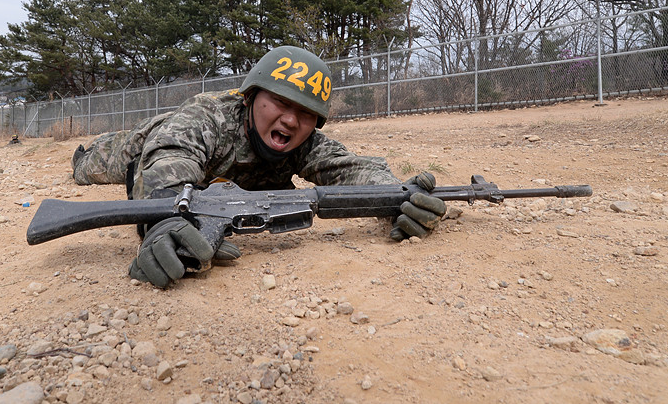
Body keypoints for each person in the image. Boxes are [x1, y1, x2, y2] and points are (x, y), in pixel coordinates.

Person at [72, 46, 446, 289]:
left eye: (305, 113)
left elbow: (348, 168)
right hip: (149, 138)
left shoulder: (303, 141)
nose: (289, 120)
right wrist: (165, 217)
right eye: (279, 102)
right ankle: (83, 152)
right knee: (92, 166)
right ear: (250, 97)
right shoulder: (209, 116)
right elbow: (168, 159)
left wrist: (396, 194)